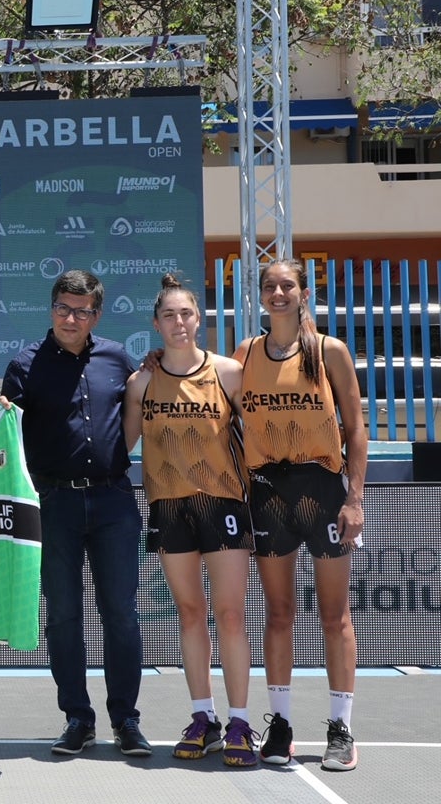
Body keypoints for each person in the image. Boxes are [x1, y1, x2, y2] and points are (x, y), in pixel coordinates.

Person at [0, 268, 151, 758]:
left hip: (113, 501)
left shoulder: (117, 359)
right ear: (51, 309)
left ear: (96, 315)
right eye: (63, 308)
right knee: (63, 617)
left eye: (81, 311)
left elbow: (141, 413)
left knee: (122, 616)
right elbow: (4, 441)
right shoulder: (23, 366)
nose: (71, 318)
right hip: (52, 503)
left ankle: (126, 720)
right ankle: (77, 719)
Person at [234, 258, 367, 771]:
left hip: (323, 489)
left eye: (287, 285)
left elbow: (356, 430)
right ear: (261, 295)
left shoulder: (328, 351)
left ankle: (341, 729)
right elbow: (201, 378)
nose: (278, 292)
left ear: (304, 292)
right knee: (279, 614)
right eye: (270, 286)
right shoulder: (246, 352)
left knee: (335, 617)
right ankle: (281, 724)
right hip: (269, 492)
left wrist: (354, 500)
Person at [123, 274, 257, 766]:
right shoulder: (140, 383)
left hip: (223, 504)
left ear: (199, 320)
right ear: (155, 324)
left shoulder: (228, 373)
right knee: (190, 613)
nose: (178, 323)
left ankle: (241, 722)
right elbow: (122, 447)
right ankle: (204, 717)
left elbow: (258, 439)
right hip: (168, 506)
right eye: (168, 315)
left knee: (230, 614)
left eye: (186, 314)